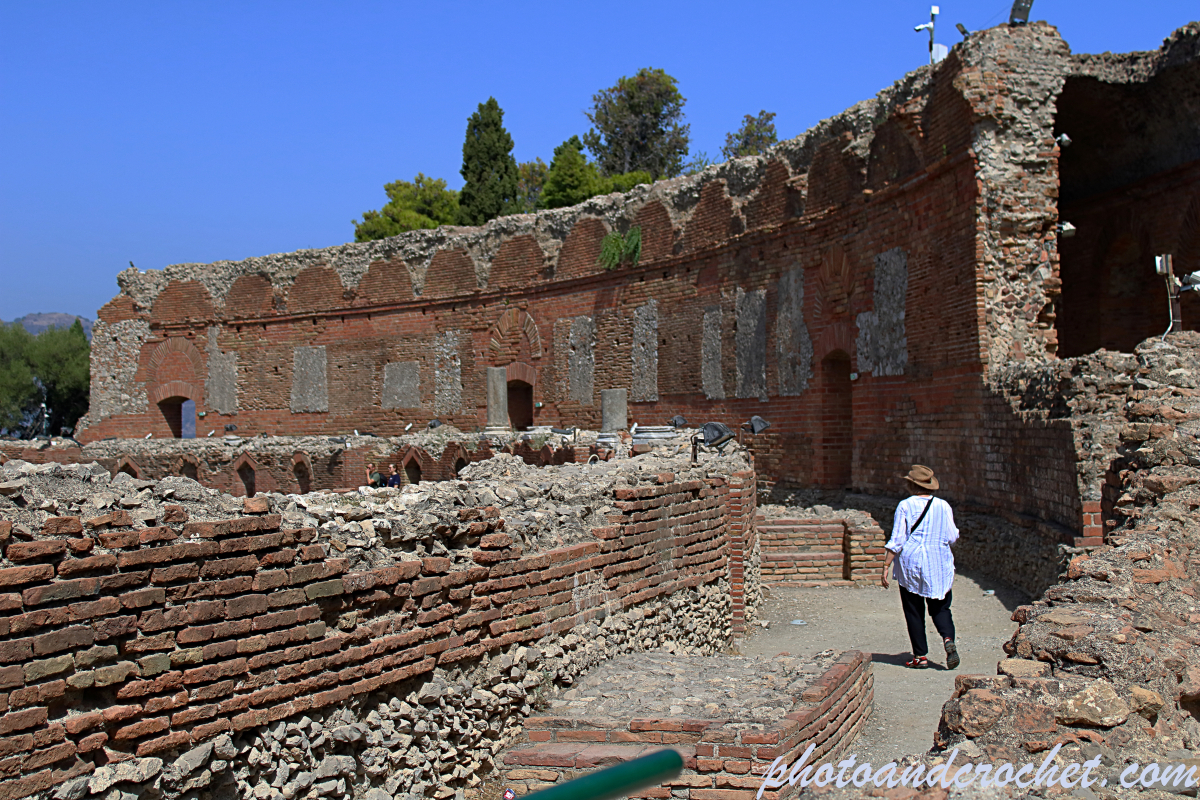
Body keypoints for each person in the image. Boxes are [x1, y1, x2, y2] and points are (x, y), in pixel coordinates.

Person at [881, 465, 960, 669]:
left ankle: (920, 657)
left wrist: (886, 565)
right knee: (941, 607)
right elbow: (952, 536)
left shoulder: (905, 505)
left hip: (912, 564)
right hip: (938, 564)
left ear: (911, 484)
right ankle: (948, 640)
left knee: (914, 611)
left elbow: (897, 539)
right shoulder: (943, 506)